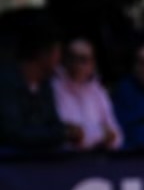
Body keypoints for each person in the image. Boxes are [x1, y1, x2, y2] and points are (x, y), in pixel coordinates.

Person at [0, 11, 83, 152]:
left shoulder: (45, 86)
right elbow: (14, 133)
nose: (59, 59)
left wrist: (66, 130)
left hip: (42, 162)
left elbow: (52, 123)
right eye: (57, 52)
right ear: (43, 53)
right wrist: (62, 133)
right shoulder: (6, 84)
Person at [52, 36, 123, 149]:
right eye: (72, 58)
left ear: (92, 63)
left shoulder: (98, 91)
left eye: (83, 59)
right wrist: (101, 133)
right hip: (67, 158)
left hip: (98, 156)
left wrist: (90, 135)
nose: (77, 64)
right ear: (65, 59)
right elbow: (68, 135)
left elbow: (117, 136)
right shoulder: (54, 88)